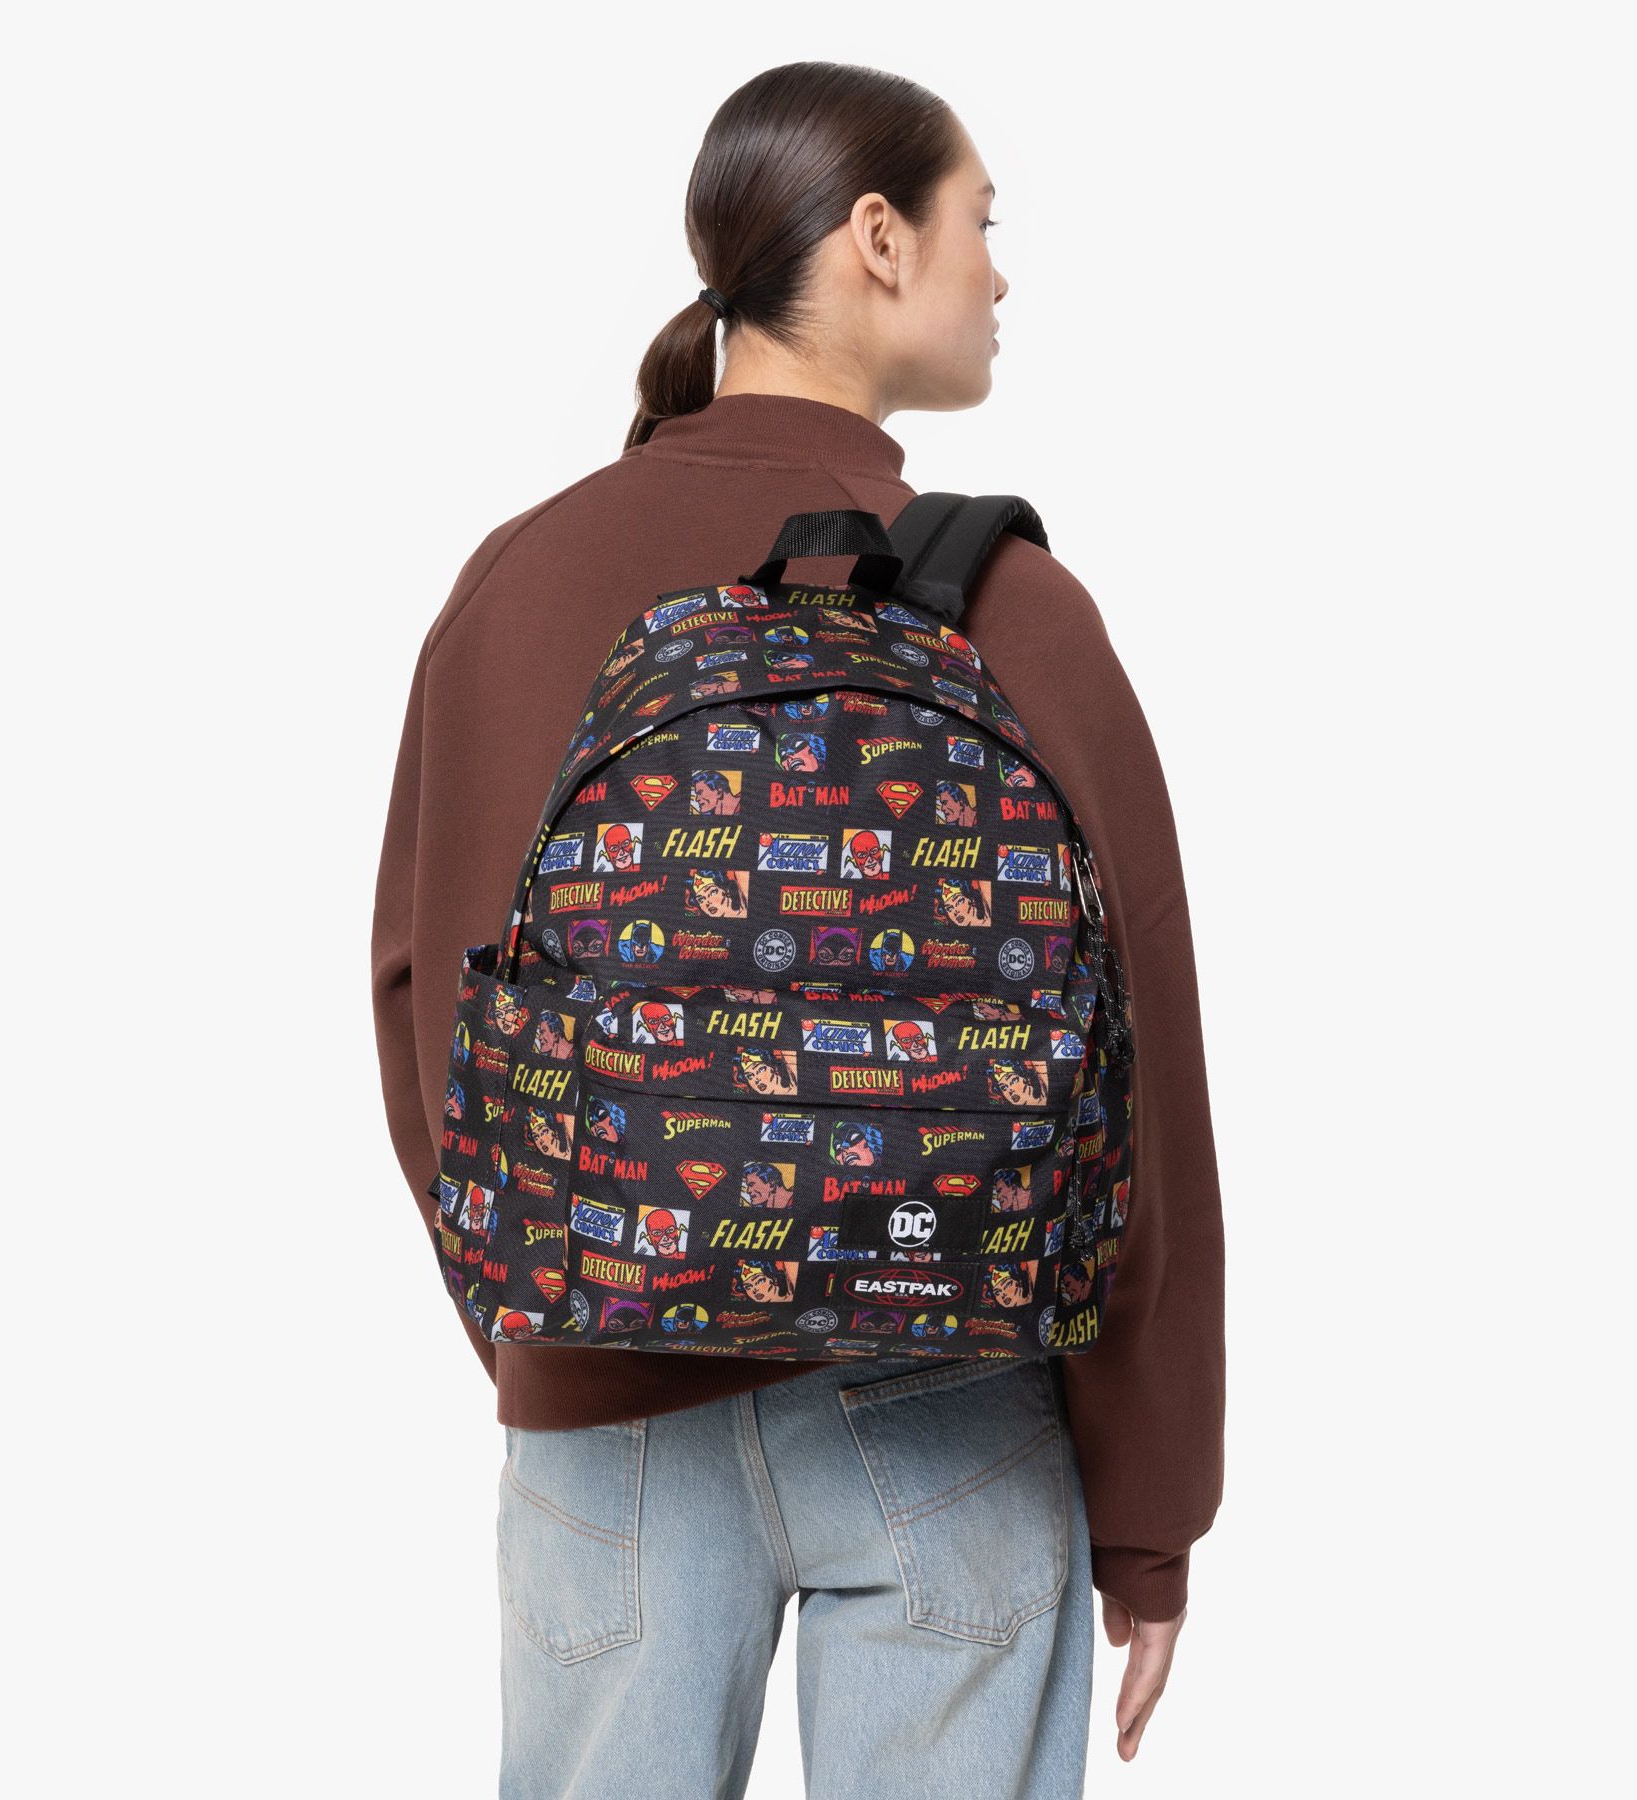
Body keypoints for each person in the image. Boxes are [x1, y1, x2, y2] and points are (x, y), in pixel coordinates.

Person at [371, 59, 1224, 1798]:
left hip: (602, 1413)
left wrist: (559, 1316)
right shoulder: (1010, 604)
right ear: (881, 239)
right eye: (984, 223)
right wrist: (1150, 1511)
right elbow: (1143, 1075)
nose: (1001, 272)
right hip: (948, 1394)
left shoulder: (522, 576)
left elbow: (419, 1000)